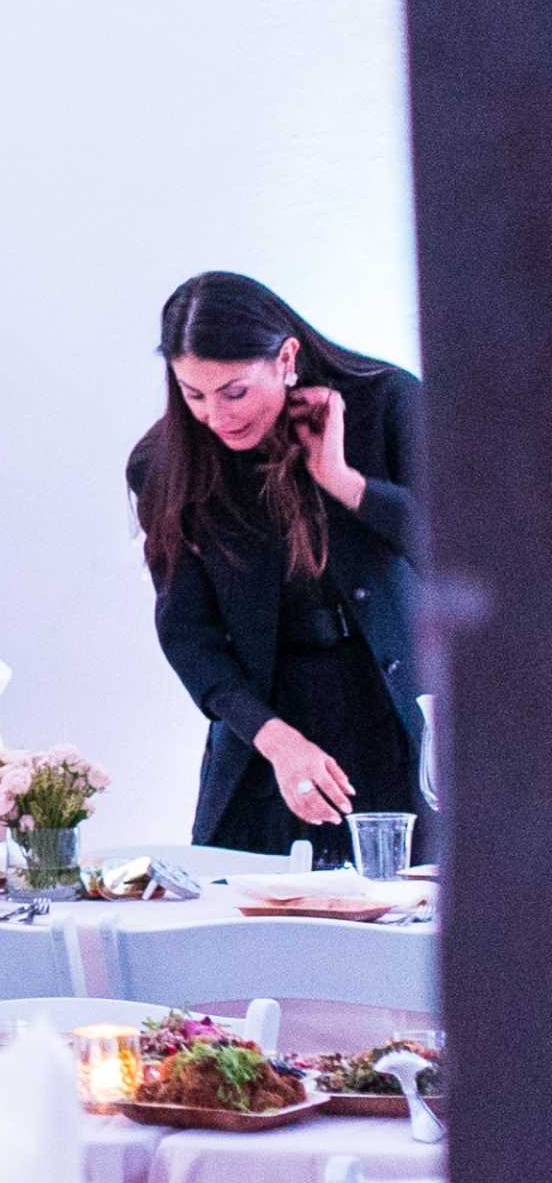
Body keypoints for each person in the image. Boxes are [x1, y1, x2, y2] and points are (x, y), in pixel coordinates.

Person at [129, 272, 425, 852]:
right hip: (266, 730)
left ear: (286, 357)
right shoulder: (164, 466)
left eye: (234, 392)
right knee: (250, 905)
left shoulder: (384, 402)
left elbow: (461, 549)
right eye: (193, 394)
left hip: (392, 713)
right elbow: (188, 635)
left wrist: (345, 482)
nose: (216, 416)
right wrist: (276, 741)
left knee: (412, 901)